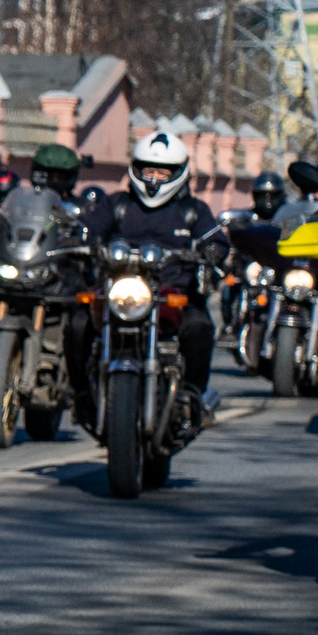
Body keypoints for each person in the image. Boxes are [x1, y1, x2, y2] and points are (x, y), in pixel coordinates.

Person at [66, 128, 217, 429]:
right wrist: (78, 238)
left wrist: (212, 250)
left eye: (162, 172)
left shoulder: (193, 211)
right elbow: (89, 228)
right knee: (77, 323)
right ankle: (82, 394)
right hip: (119, 292)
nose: (153, 178)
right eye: (148, 169)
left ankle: (190, 396)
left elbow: (216, 239)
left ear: (178, 173)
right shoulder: (118, 204)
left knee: (199, 327)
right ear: (135, 169)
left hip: (171, 295)